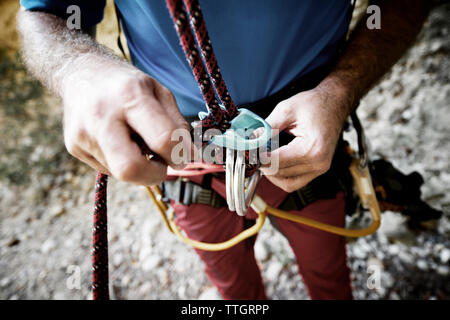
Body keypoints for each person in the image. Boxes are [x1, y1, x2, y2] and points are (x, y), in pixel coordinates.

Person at [18, 0, 431, 299]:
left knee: (327, 273)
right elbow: (46, 11)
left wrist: (338, 92)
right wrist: (76, 68)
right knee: (232, 285)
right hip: (183, 148)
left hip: (306, 132)